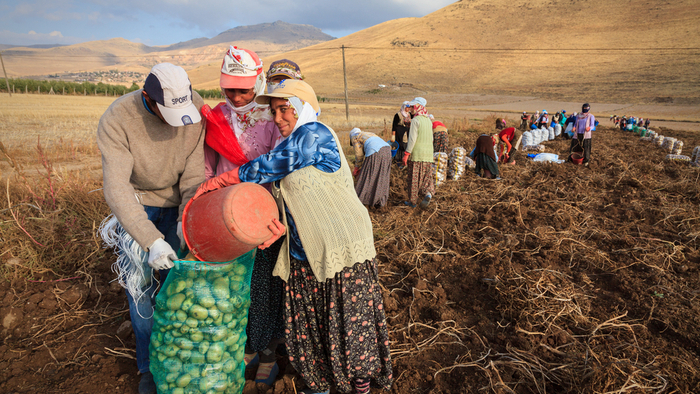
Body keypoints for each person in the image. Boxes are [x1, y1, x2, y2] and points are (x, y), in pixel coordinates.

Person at [191, 79, 393, 394]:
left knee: (350, 333)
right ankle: (319, 388)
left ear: (304, 107)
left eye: (285, 109)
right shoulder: (292, 141)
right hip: (302, 254)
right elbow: (294, 194)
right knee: (309, 335)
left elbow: (268, 168)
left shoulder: (315, 133)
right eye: (273, 111)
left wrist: (216, 183)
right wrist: (281, 227)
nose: (278, 118)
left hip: (340, 249)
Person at [97, 63, 205, 394]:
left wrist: (186, 223)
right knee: (141, 288)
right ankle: (148, 367)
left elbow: (192, 177)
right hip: (136, 203)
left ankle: (178, 360)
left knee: (178, 285)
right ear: (148, 98)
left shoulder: (195, 107)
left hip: (177, 206)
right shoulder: (117, 119)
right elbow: (116, 189)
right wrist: (150, 241)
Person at [201, 45, 290, 385]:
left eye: (244, 89)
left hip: (262, 214)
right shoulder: (216, 118)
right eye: (229, 89)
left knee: (264, 286)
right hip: (223, 217)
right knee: (232, 287)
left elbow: (275, 169)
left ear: (258, 82)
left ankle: (266, 351)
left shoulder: (271, 118)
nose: (237, 97)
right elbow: (208, 170)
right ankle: (244, 346)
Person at [401, 97, 434, 208]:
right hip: (428, 155)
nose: (410, 109)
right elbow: (431, 139)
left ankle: (412, 202)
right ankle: (428, 193)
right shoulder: (428, 120)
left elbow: (412, 140)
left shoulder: (416, 120)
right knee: (426, 178)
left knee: (414, 179)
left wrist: (407, 154)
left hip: (417, 154)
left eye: (412, 107)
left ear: (418, 106)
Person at [349, 128, 392, 209]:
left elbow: (359, 156)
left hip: (375, 152)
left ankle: (361, 201)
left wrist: (357, 168)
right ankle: (379, 201)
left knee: (367, 177)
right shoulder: (368, 133)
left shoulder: (355, 137)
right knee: (382, 178)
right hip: (387, 150)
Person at [392, 101, 412, 167]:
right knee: (400, 147)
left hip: (407, 134)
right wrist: (393, 136)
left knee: (406, 147)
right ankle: (398, 163)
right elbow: (394, 126)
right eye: (407, 107)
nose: (408, 109)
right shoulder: (398, 115)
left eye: (409, 107)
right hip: (399, 134)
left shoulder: (409, 114)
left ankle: (404, 163)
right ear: (404, 107)